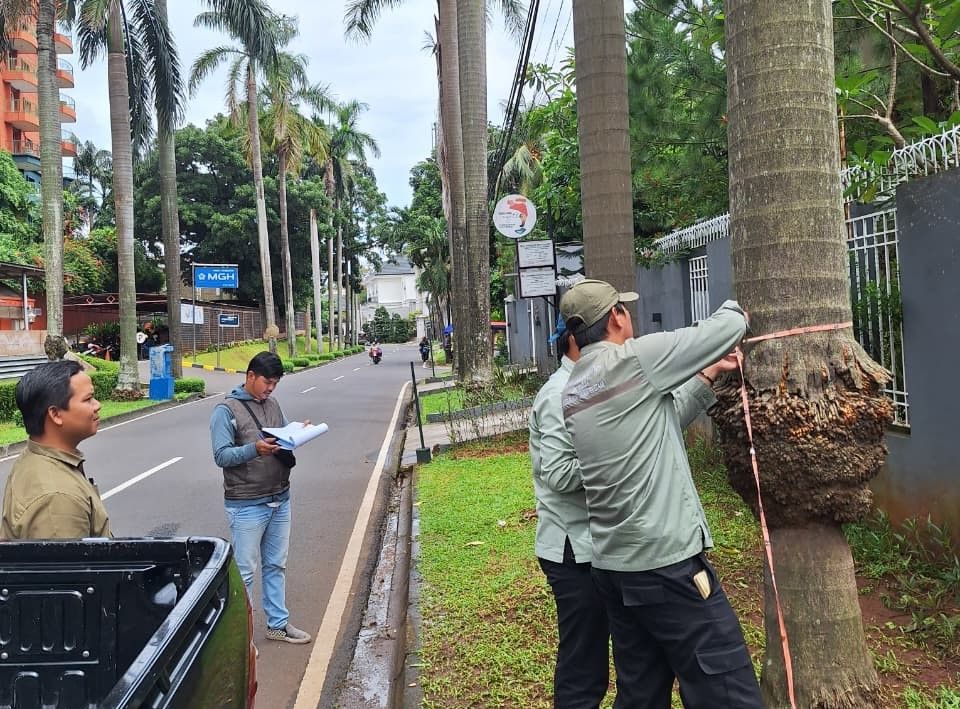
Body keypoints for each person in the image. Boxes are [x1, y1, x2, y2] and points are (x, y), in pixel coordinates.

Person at [559, 279, 762, 709]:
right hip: (665, 567)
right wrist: (738, 310)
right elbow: (722, 328)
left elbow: (658, 420)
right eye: (624, 309)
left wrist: (708, 374)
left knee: (642, 693)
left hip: (616, 570)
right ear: (616, 317)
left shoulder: (576, 387)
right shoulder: (635, 360)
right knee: (727, 689)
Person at [530, 316, 609, 708]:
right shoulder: (559, 394)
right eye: (608, 327)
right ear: (578, 340)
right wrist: (617, 461)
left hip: (598, 544)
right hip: (572, 550)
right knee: (585, 665)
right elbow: (559, 475)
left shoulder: (593, 385)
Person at [209, 351, 312, 645]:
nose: (271, 388)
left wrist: (298, 433)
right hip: (247, 503)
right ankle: (242, 638)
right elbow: (221, 455)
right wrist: (255, 449)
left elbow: (283, 433)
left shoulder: (273, 404)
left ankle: (277, 624)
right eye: (267, 382)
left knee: (276, 565)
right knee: (245, 572)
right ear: (250, 376)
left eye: (275, 383)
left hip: (280, 496)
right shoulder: (225, 411)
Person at [1, 360, 111, 540]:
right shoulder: (57, 499)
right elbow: (67, 559)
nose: (97, 405)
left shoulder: (36, 456)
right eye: (88, 399)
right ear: (55, 414)